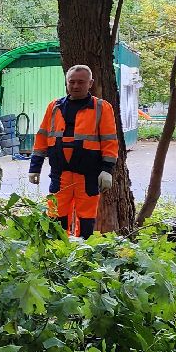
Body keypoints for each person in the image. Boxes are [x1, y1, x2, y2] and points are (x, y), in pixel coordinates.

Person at [27, 64, 121, 239]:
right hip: (60, 174)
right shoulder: (54, 107)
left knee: (86, 217)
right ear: (66, 82)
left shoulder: (102, 108)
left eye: (81, 82)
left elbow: (110, 141)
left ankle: (83, 253)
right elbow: (41, 138)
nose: (76, 86)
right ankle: (59, 251)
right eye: (72, 82)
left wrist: (107, 170)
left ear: (90, 83)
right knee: (56, 215)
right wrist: (35, 167)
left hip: (88, 175)